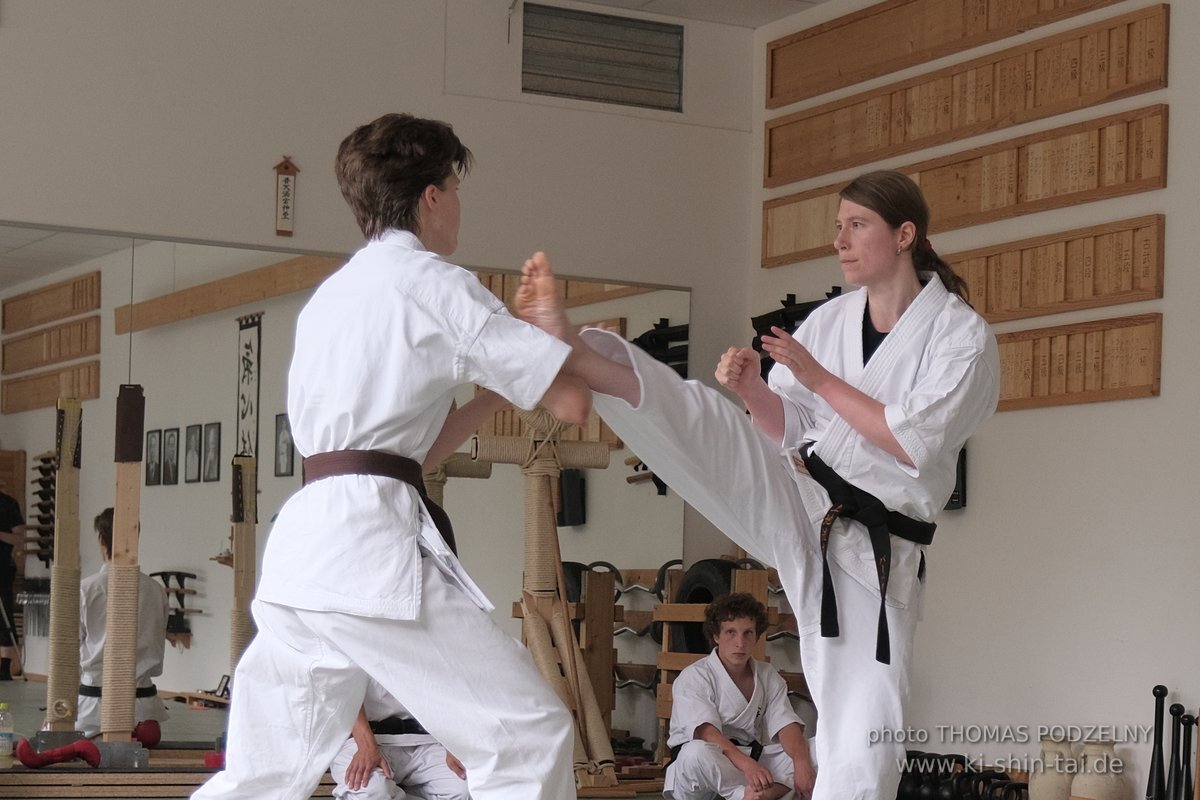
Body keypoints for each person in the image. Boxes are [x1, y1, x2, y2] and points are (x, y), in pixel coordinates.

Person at [516, 170, 1000, 800]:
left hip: (871, 550)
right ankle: (581, 356)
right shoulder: (832, 319)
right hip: (802, 489)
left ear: (906, 234)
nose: (841, 241)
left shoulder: (961, 336)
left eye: (857, 225)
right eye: (838, 227)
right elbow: (787, 426)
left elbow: (909, 439)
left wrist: (819, 377)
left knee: (863, 729)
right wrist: (750, 390)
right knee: (710, 425)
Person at [193, 113, 589, 800]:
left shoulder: (330, 299)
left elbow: (399, 454)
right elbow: (572, 404)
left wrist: (491, 399)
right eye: (455, 188)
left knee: (262, 775)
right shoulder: (434, 283)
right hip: (365, 549)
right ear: (432, 196)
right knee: (530, 736)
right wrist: (552, 326)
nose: (458, 206)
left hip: (305, 551)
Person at [665, 593, 813, 800]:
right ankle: (747, 795)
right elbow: (707, 733)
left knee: (815, 749)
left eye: (748, 633)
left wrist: (801, 763)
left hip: (748, 762)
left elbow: (785, 724)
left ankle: (759, 793)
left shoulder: (766, 674)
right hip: (701, 773)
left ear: (757, 636)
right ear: (716, 636)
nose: (740, 643)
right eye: (731, 633)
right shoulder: (695, 676)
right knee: (696, 752)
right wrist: (748, 766)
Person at [78, 508, 170, 745]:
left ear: (101, 540)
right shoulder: (156, 591)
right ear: (136, 538)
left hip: (93, 712)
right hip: (143, 710)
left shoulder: (86, 589)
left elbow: (69, 650)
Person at [330, 677, 470, 800]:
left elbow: (453, 678)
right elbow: (340, 684)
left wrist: (452, 741)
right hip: (361, 738)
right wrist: (366, 745)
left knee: (463, 788)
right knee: (372, 792)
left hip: (426, 738)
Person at [0, 487, 26, 680]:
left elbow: (19, 537)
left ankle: (6, 667)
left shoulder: (8, 503)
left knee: (4, 616)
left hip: (2, 568)